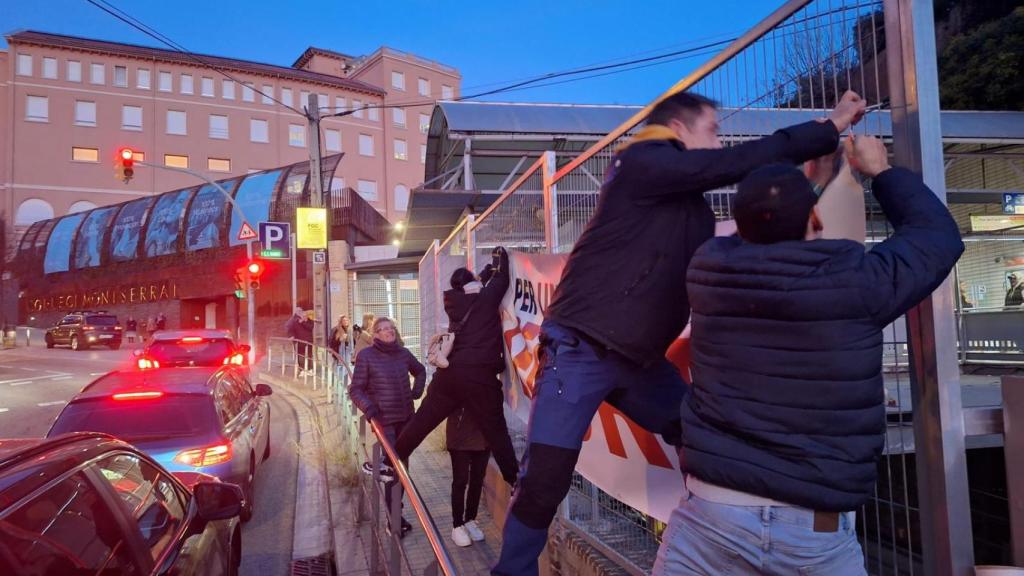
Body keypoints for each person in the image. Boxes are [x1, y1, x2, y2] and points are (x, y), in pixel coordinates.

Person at [493, 90, 866, 576]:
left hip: (641, 361)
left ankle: (711, 534)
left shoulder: (685, 203)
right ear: (680, 129)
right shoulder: (642, 163)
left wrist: (807, 185)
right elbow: (736, 163)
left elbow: (756, 228)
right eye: (712, 130)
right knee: (545, 477)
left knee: (704, 437)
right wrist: (830, 125)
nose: (719, 142)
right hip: (581, 346)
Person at [652, 136, 964, 575]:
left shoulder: (708, 270)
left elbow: (760, 239)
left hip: (711, 517)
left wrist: (804, 190)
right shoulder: (859, 282)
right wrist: (881, 172)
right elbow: (937, 237)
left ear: (738, 223)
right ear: (814, 219)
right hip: (814, 536)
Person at [394, 247, 520, 491]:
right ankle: (514, 481)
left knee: (423, 420)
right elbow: (502, 278)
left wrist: (483, 273)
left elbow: (481, 282)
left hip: (449, 374)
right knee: (495, 430)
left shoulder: (454, 302)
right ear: (474, 283)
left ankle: (389, 462)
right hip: (479, 377)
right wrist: (500, 256)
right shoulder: (486, 299)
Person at [349, 317, 426, 538]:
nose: (388, 332)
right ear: (375, 335)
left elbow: (420, 371)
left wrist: (417, 392)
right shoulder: (366, 356)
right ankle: (393, 520)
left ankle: (396, 516)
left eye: (391, 328)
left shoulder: (403, 353)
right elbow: (356, 390)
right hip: (385, 422)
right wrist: (369, 408)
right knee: (393, 470)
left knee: (402, 470)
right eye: (383, 330)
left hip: (406, 420)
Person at [447, 406, 490, 547]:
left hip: (483, 434)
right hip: (460, 435)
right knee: (460, 480)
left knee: (477, 480)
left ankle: (470, 519)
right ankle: (457, 525)